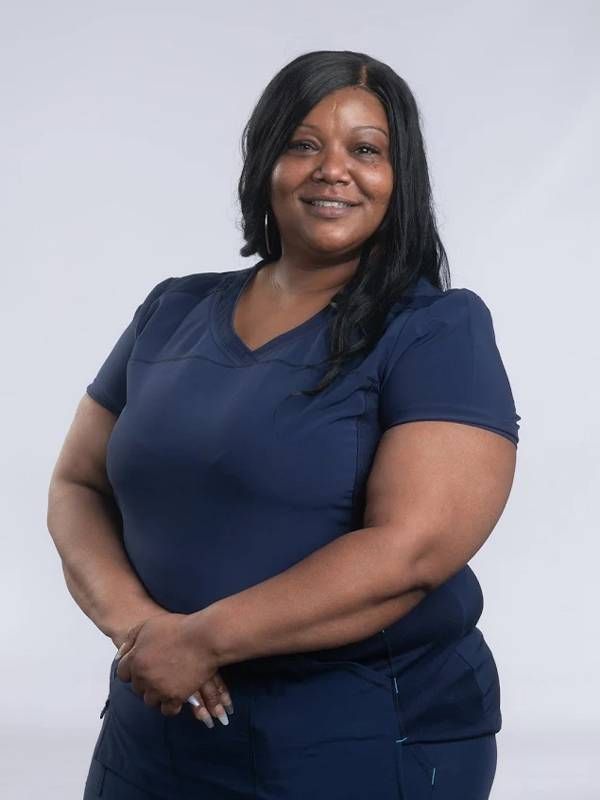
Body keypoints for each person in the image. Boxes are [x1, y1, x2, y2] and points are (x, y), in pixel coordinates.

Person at [47, 49, 521, 800]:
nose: (333, 169)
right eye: (304, 144)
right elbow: (77, 482)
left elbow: (413, 552)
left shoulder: (435, 329)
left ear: (400, 182)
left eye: (366, 150)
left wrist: (200, 639)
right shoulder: (172, 309)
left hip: (357, 736)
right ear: (266, 160)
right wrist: (141, 631)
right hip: (159, 723)